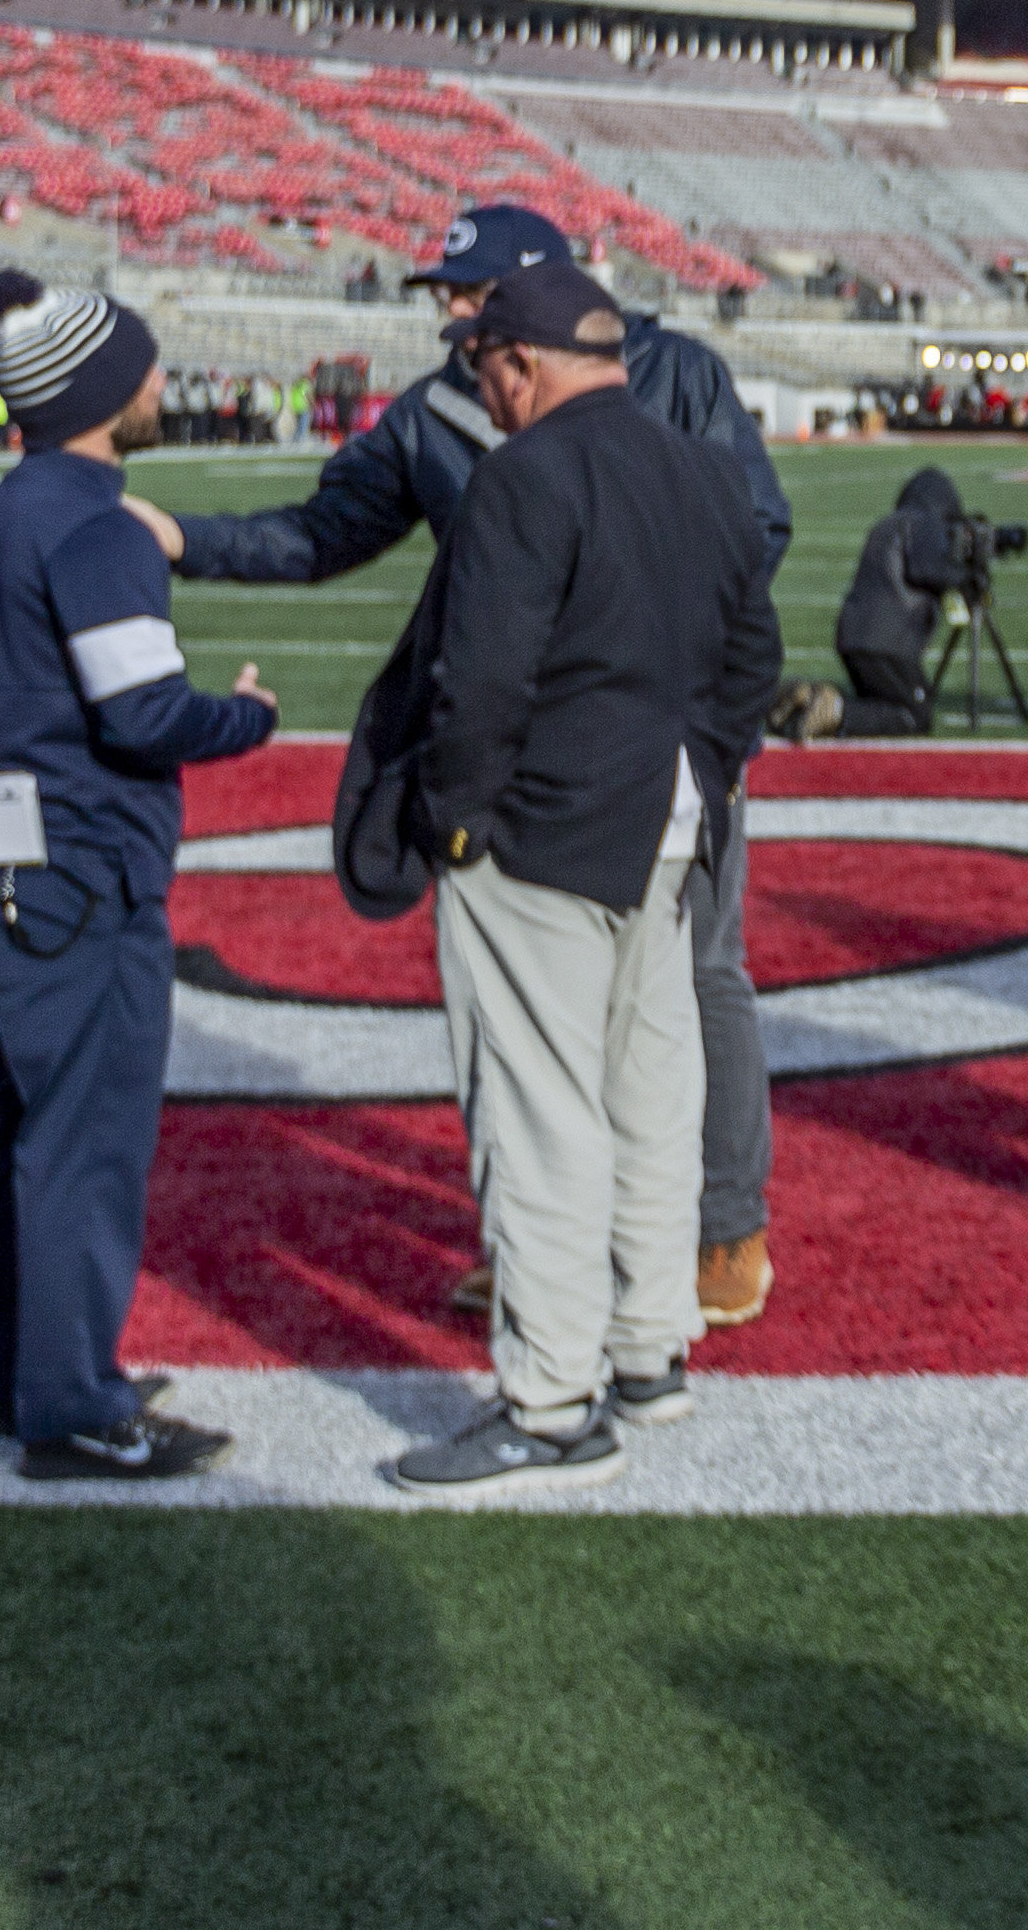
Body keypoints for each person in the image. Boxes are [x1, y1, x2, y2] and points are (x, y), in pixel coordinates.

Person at [128, 204, 800, 1333]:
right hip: (514, 743)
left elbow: (752, 531)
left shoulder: (672, 371)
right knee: (510, 1008)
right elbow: (323, 530)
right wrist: (186, 539)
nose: (445, 309)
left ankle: (722, 1224)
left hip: (652, 728)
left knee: (690, 980)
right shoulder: (436, 407)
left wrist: (676, 698)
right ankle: (530, 1236)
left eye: (464, 288)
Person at [387, 261, 780, 1503]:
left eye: (486, 370)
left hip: (545, 836)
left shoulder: (525, 473)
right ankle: (645, 1350)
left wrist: (456, 820)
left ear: (516, 362)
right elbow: (751, 656)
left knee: (540, 1115)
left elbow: (482, 679)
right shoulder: (706, 466)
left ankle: (551, 1402)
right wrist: (699, 774)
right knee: (649, 1094)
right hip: (662, 828)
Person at [0, 270, 276, 1479]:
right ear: (95, 390)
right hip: (81, 869)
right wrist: (244, 719)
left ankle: (18, 1382)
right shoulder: (94, 521)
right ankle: (75, 1399)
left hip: (10, 857)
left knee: (18, 1124)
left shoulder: (4, 515)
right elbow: (141, 712)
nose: (156, 382)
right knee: (83, 1138)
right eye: (141, 365)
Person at [789, 466, 978, 738]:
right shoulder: (924, 523)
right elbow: (928, 570)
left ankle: (811, 701)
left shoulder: (889, 523)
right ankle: (836, 709)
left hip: (853, 635)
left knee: (881, 703)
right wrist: (964, 573)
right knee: (914, 715)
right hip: (888, 642)